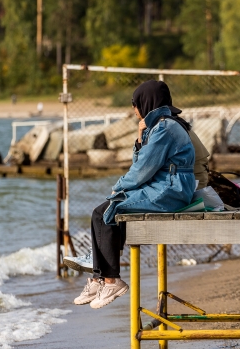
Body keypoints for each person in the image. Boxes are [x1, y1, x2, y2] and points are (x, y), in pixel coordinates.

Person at [64, 80, 195, 308]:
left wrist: (119, 186)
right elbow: (143, 165)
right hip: (164, 186)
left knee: (112, 207)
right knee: (100, 213)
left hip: (171, 189)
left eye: (136, 104)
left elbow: (143, 169)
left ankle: (111, 279)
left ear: (147, 103)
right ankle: (99, 275)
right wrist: (139, 137)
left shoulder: (165, 128)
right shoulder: (159, 126)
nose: (134, 110)